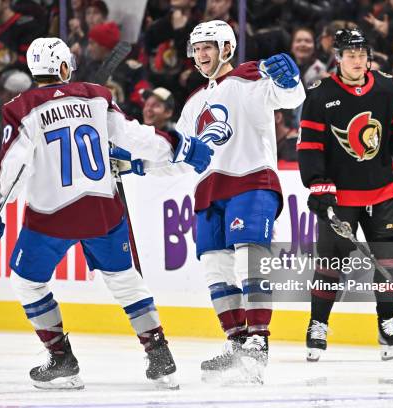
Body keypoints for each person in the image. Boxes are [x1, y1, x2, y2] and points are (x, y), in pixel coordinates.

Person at [0, 37, 213, 390]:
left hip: (52, 214)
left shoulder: (20, 107)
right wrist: (177, 146)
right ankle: (160, 356)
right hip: (103, 209)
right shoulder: (96, 96)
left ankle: (62, 360)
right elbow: (134, 135)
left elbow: (13, 164)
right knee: (125, 281)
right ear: (65, 67)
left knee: (27, 281)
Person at [154, 20, 305, 382]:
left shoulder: (252, 78)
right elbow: (181, 157)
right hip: (209, 191)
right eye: (197, 48)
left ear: (226, 48)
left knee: (250, 259)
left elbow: (292, 97)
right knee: (216, 269)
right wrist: (137, 165)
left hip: (251, 180)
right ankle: (237, 343)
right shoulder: (192, 103)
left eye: (208, 46)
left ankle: (258, 341)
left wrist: (289, 80)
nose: (201, 54)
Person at [297, 28, 393, 362]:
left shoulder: (385, 87)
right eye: (349, 55)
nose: (357, 61)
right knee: (330, 265)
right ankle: (318, 325)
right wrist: (317, 184)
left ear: (368, 57)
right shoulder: (320, 95)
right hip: (341, 198)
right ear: (338, 58)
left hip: (382, 193)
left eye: (361, 54)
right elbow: (310, 146)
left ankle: (387, 323)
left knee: (389, 261)